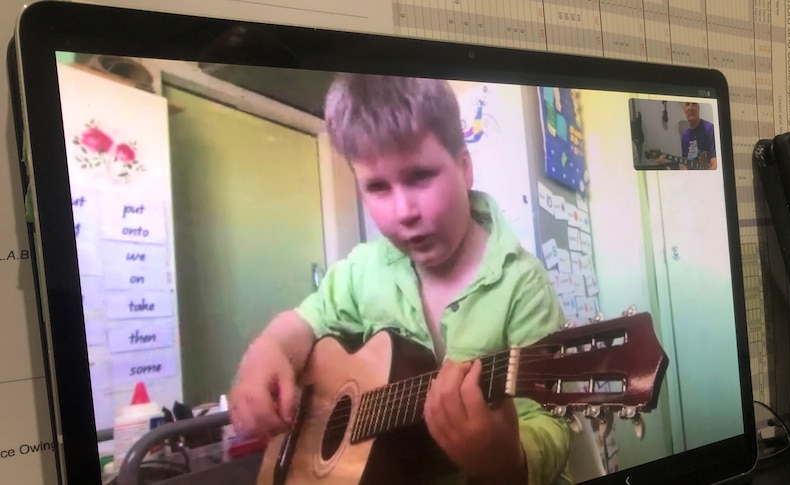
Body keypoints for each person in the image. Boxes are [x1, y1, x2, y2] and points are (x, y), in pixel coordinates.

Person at [229, 74, 577, 485]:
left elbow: (552, 425)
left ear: (464, 168)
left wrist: (504, 461)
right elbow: (306, 321)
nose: (403, 211)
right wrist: (268, 349)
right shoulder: (363, 270)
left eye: (419, 176)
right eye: (377, 187)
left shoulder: (522, 287)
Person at [656, 101, 717, 170]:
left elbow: (715, 165)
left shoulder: (710, 129)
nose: (690, 108)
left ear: (698, 108)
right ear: (684, 109)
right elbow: (685, 166)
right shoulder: (684, 137)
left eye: (694, 104)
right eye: (687, 104)